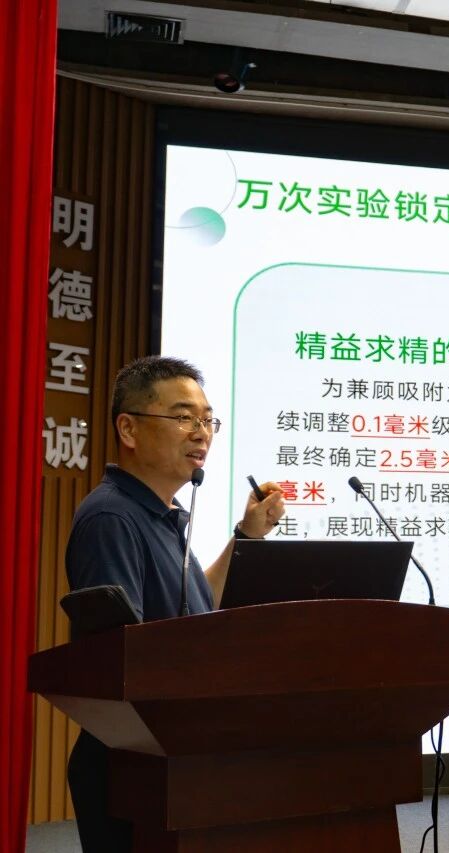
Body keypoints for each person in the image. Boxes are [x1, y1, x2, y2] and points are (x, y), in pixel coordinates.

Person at [64, 356, 285, 853]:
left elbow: (195, 608)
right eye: (183, 417)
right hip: (130, 766)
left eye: (208, 420)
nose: (201, 433)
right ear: (128, 428)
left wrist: (246, 536)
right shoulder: (112, 518)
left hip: (172, 758)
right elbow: (123, 654)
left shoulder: (160, 515)